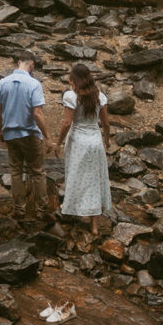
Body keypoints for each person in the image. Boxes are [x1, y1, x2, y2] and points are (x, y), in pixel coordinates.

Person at [54, 62, 111, 235]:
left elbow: (66, 123)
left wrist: (58, 143)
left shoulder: (72, 97)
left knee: (75, 174)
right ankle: (94, 225)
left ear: (74, 79)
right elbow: (106, 123)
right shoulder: (99, 96)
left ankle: (71, 206)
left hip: (78, 140)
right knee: (95, 179)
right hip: (94, 139)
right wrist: (107, 140)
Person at [0, 51, 52, 220]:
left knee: (16, 172)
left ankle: (19, 209)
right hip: (29, 133)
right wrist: (47, 137)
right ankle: (42, 210)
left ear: (18, 62)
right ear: (32, 64)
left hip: (11, 134)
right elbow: (37, 113)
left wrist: (1, 131)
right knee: (37, 172)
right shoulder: (34, 84)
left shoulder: (3, 83)